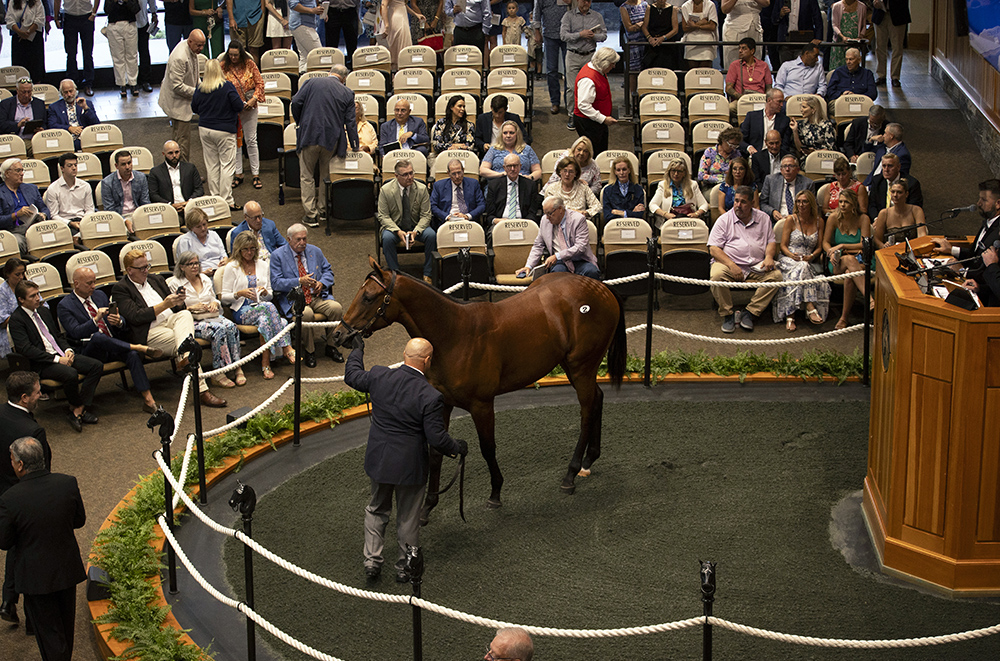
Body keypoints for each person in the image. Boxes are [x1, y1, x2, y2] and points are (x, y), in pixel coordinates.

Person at [344, 336, 465, 582]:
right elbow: (437, 438)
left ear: (404, 355)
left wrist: (358, 350)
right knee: (409, 517)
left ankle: (372, 562)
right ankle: (405, 567)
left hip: (379, 460)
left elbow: (352, 375)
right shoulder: (431, 396)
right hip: (410, 466)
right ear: (428, 360)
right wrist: (458, 447)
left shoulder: (379, 376)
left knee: (376, 509)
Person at [0, 437, 86, 661]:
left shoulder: (10, 499)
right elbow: (79, 520)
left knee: (49, 635)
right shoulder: (67, 483)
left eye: (11, 459)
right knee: (66, 629)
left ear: (20, 465)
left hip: (35, 578)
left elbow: (4, 542)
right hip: (66, 568)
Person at [112, 248, 227, 407]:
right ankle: (202, 390)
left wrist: (179, 302)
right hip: (149, 333)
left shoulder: (155, 280)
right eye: (141, 268)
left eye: (147, 266)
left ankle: (186, 357)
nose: (146, 271)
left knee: (185, 315)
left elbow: (177, 309)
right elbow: (135, 317)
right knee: (187, 345)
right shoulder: (121, 289)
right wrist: (165, 304)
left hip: (172, 324)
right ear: (129, 270)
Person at [58, 266, 163, 412]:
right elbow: (75, 333)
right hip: (90, 352)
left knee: (131, 355)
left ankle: (148, 400)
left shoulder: (100, 295)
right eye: (89, 283)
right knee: (98, 337)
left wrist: (119, 321)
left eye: (94, 282)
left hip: (114, 345)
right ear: (76, 284)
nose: (93, 286)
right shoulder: (65, 305)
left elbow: (122, 323)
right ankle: (138, 347)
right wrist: (95, 320)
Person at [9, 280, 104, 432]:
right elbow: (26, 349)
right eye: (33, 296)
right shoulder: (16, 320)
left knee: (96, 366)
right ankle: (78, 408)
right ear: (21, 299)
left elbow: (58, 336)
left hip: (61, 353)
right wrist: (58, 359)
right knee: (70, 373)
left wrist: (68, 350)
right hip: (41, 363)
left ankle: (78, 408)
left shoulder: (43, 311)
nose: (38, 298)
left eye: (38, 294)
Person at [0, 372, 50, 627]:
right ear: (24, 397)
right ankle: (32, 617)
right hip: (28, 495)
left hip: (3, 494)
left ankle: (8, 600)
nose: (40, 395)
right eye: (37, 392)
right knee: (30, 550)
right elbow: (43, 470)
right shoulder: (33, 431)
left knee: (16, 545)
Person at [221, 231, 295, 380]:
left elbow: (271, 295)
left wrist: (265, 292)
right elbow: (223, 298)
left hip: (262, 308)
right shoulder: (231, 267)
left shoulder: (262, 265)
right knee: (272, 312)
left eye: (252, 248)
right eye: (245, 249)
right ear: (239, 250)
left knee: (266, 320)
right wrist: (239, 294)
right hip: (242, 310)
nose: (249, 252)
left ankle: (265, 364)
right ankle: (286, 346)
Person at [291, 64, 358, 228]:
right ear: (343, 79)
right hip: (331, 138)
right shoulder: (347, 92)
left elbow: (296, 102)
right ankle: (322, 211)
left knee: (306, 175)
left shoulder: (311, 82)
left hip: (309, 135)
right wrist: (355, 145)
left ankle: (310, 215)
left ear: (330, 73)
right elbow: (350, 123)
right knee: (325, 175)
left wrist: (301, 121)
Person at [709, 186, 781, 333]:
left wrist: (768, 257)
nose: (738, 205)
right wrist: (731, 265)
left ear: (752, 203)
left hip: (756, 265)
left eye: (743, 202)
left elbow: (771, 242)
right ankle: (727, 314)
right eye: (736, 201)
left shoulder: (764, 218)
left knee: (776, 277)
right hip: (729, 263)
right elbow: (714, 249)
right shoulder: (724, 220)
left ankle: (750, 312)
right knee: (716, 276)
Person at [270, 223, 344, 366]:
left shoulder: (315, 251)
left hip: (317, 296)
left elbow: (329, 272)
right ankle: (310, 351)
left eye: (304, 239)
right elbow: (276, 283)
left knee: (336, 308)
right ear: (289, 239)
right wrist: (299, 281)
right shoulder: (278, 256)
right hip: (296, 299)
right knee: (306, 314)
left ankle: (331, 346)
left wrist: (322, 283)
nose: (302, 243)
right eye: (298, 239)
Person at [168, 251, 245, 387]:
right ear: (181, 267)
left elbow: (213, 298)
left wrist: (215, 303)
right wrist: (192, 307)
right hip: (192, 321)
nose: (194, 266)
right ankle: (218, 373)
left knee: (232, 327)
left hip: (210, 316)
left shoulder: (205, 279)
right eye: (190, 264)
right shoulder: (175, 283)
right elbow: (174, 310)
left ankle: (237, 366)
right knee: (219, 330)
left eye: (196, 263)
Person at [192, 59, 245, 210]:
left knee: (211, 165)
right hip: (225, 130)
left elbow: (194, 107)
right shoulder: (227, 86)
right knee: (227, 165)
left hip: (205, 129)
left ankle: (215, 198)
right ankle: (227, 200)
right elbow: (238, 106)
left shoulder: (201, 88)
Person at [773, 190, 829, 330]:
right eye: (798, 201)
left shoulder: (819, 221)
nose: (801, 204)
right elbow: (783, 246)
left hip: (809, 260)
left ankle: (790, 316)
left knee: (803, 267)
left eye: (804, 201)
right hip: (789, 259)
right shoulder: (791, 219)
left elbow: (819, 247)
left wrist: (812, 256)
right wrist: (792, 256)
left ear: (811, 203)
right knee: (801, 266)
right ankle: (810, 307)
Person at [376, 159, 437, 283]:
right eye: (405, 175)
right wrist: (398, 231)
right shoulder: (385, 190)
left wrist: (416, 232)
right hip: (395, 227)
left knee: (431, 235)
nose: (410, 177)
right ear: (396, 176)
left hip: (416, 226)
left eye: (411, 173)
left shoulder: (421, 189)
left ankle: (428, 273)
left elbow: (426, 215)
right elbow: (383, 216)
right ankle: (395, 274)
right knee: (387, 238)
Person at [516, 196, 599, 279]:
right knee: (557, 274)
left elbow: (580, 247)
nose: (547, 218)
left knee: (592, 272)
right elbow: (538, 245)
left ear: (560, 209)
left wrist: (557, 256)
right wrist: (529, 266)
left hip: (580, 260)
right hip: (560, 263)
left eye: (549, 213)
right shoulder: (544, 220)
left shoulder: (578, 219)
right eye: (545, 214)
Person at [221, 40, 266, 191]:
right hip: (232, 109)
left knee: (251, 140)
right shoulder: (222, 66)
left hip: (249, 107)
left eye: (236, 55)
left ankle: (255, 174)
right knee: (235, 142)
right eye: (231, 55)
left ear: (241, 53)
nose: (233, 58)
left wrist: (254, 99)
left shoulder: (250, 64)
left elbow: (260, 83)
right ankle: (238, 173)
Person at [823, 188, 870, 328]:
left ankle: (844, 318)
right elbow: (825, 242)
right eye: (840, 202)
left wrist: (842, 245)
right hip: (838, 261)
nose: (842, 205)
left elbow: (864, 244)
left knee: (850, 274)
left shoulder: (863, 219)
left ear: (853, 204)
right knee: (849, 260)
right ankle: (868, 297)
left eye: (846, 202)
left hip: (861, 260)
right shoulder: (833, 218)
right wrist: (831, 252)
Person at [159, 30, 207, 163]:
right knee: (182, 142)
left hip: (183, 99)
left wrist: (201, 87)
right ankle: (184, 174)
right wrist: (199, 93)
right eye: (198, 45)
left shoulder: (191, 49)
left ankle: (181, 171)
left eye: (202, 45)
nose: (201, 49)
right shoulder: (180, 57)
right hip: (177, 103)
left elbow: (195, 75)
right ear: (190, 42)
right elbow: (177, 86)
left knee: (179, 139)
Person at [561, 0, 606, 132]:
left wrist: (593, 36)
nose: (585, 3)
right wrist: (580, 35)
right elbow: (563, 36)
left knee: (591, 87)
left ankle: (590, 114)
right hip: (573, 55)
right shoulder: (568, 16)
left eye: (588, 0)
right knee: (571, 87)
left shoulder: (597, 16)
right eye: (582, 0)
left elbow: (603, 35)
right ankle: (572, 115)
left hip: (590, 56)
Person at [484, 153, 542, 241]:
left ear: (520, 166)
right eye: (509, 166)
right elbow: (490, 214)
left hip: (524, 223)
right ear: (504, 167)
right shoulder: (494, 185)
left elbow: (532, 212)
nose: (512, 169)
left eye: (515, 166)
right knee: (492, 235)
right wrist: (497, 221)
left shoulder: (530, 185)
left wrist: (524, 223)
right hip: (501, 224)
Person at [573, 47, 618, 156]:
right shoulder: (588, 79)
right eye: (612, 64)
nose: (614, 66)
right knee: (594, 153)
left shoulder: (598, 69)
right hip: (589, 122)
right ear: (604, 63)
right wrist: (603, 119)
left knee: (601, 150)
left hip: (597, 121)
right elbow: (583, 105)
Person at [0, 157, 50, 252]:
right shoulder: (1, 193)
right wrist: (16, 215)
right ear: (7, 173)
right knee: (17, 242)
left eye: (22, 170)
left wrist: (43, 215)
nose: (22, 174)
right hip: (13, 230)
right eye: (18, 171)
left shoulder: (31, 189)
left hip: (35, 226)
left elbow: (44, 208)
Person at [55, 0, 101, 97]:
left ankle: (88, 84)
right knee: (71, 53)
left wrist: (94, 13)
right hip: (69, 17)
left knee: (87, 53)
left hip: (86, 16)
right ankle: (71, 84)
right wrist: (56, 17)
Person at [530, 0, 568, 114]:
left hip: (568, 35)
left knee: (569, 71)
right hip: (549, 36)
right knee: (551, 70)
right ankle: (555, 102)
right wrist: (536, 31)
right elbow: (537, 13)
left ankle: (569, 102)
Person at [649, 158, 709, 229]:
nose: (676, 174)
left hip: (689, 222)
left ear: (684, 173)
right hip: (669, 222)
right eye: (673, 170)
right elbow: (652, 205)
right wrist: (665, 214)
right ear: (669, 171)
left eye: (679, 171)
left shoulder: (693, 185)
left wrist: (696, 214)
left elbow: (704, 204)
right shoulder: (662, 185)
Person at [148, 140, 205, 211]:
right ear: (163, 154)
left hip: (190, 206)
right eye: (170, 153)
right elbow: (153, 195)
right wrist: (170, 205)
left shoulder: (190, 168)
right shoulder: (155, 172)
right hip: (168, 209)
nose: (174, 156)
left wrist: (189, 202)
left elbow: (199, 189)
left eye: (177, 152)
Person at [100, 151, 150, 234]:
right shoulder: (107, 183)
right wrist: (125, 220)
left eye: (129, 163)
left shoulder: (141, 178)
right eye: (123, 164)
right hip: (120, 217)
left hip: (138, 215)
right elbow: (110, 210)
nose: (127, 167)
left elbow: (145, 202)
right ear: (116, 166)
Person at [44, 153, 94, 233]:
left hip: (83, 220)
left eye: (75, 165)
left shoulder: (85, 186)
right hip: (64, 223)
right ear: (62, 168)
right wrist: (70, 223)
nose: (74, 168)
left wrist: (84, 221)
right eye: (70, 165)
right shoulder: (53, 189)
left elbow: (90, 209)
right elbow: (53, 215)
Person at [429, 159, 485, 230]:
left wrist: (467, 216)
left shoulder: (473, 184)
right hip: (447, 222)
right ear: (448, 173)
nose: (457, 176)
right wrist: (447, 217)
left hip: (469, 223)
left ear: (463, 171)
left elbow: (481, 205)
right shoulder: (439, 186)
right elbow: (433, 206)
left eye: (459, 172)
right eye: (453, 174)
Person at [46, 80, 101, 151]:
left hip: (84, 137)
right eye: (66, 92)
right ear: (61, 94)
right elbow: (52, 125)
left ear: (76, 90)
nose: (69, 94)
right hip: (66, 138)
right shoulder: (54, 107)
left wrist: (86, 108)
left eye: (71, 91)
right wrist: (69, 128)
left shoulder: (87, 103)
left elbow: (96, 124)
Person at [866, 152, 922, 220]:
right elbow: (872, 205)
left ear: (898, 167)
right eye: (884, 166)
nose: (886, 170)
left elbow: (914, 209)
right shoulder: (877, 180)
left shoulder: (911, 183)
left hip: (903, 220)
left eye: (890, 166)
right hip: (880, 219)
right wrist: (877, 219)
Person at [760, 155, 814, 223]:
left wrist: (795, 216)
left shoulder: (807, 183)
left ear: (797, 169)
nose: (787, 169)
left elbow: (813, 206)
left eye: (791, 166)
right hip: (775, 222)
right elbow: (762, 203)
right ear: (781, 170)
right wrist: (773, 211)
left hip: (799, 222)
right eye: (784, 166)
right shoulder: (770, 180)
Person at [873, 178, 925, 248]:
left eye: (899, 192)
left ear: (906, 194)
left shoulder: (916, 210)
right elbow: (877, 239)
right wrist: (883, 246)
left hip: (913, 249)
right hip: (891, 251)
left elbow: (922, 234)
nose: (895, 195)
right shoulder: (884, 213)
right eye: (893, 192)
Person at [725, 37, 772, 115]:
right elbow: (728, 88)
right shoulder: (735, 65)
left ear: (752, 51)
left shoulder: (763, 65)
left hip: (759, 99)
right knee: (729, 108)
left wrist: (765, 99)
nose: (740, 51)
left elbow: (769, 88)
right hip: (741, 99)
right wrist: (743, 98)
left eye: (744, 48)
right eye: (739, 48)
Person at [174, 208, 228, 274]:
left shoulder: (214, 235)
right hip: (199, 275)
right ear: (191, 228)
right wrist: (203, 273)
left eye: (204, 224)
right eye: (198, 227)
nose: (203, 228)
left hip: (220, 271)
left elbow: (223, 254)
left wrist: (225, 260)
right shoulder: (185, 241)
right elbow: (186, 267)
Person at [740, 88, 791, 156]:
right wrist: (749, 147)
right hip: (755, 155)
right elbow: (741, 139)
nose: (782, 105)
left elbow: (785, 146)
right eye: (779, 101)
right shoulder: (751, 117)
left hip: (776, 156)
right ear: (769, 100)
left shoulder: (785, 120)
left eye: (782, 102)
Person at [105, 0, 141, 96]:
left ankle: (133, 83)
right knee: (118, 57)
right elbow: (106, 9)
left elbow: (136, 9)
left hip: (130, 24)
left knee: (132, 55)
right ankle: (122, 84)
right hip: (114, 24)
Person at [5, 0, 45, 85]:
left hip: (34, 39)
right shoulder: (12, 2)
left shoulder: (37, 2)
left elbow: (40, 19)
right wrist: (20, 32)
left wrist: (28, 32)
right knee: (19, 68)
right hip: (18, 39)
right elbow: (9, 20)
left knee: (36, 68)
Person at [826, 47, 877, 111]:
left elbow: (873, 93)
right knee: (845, 108)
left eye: (851, 59)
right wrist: (842, 95)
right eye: (846, 59)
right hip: (840, 101)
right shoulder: (838, 72)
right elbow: (830, 92)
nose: (848, 62)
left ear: (859, 60)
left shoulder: (867, 74)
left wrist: (855, 97)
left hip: (861, 102)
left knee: (873, 110)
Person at [872, 0, 909, 87]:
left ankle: (895, 77)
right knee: (880, 47)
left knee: (897, 47)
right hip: (880, 14)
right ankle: (881, 75)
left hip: (898, 14)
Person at [772, 0, 822, 65]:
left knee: (802, 69)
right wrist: (780, 14)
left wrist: (818, 38)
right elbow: (773, 20)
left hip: (803, 42)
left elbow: (817, 19)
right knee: (786, 69)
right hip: (785, 42)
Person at [789, 96, 835, 164]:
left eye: (804, 107)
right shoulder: (801, 125)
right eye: (801, 107)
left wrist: (815, 152)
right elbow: (799, 149)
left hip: (824, 158)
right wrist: (795, 131)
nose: (801, 110)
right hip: (807, 159)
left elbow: (831, 149)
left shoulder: (826, 125)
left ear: (813, 109)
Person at [720, 0, 766, 68]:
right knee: (733, 63)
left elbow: (766, 3)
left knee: (755, 61)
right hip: (735, 29)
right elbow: (724, 9)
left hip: (755, 28)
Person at [430, 96, 475, 163]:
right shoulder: (441, 123)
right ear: (451, 107)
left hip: (462, 157)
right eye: (459, 106)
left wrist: (452, 148)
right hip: (443, 157)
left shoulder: (469, 125)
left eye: (464, 107)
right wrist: (453, 146)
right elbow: (436, 144)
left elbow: (470, 146)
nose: (462, 109)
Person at [602, 155, 646, 222]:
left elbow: (640, 214)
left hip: (634, 224)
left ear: (629, 170)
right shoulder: (608, 190)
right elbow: (607, 216)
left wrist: (619, 212)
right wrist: (631, 212)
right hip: (614, 225)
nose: (621, 173)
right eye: (618, 170)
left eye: (624, 169)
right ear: (615, 172)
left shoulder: (638, 189)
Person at [0, 259, 29, 359]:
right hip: (11, 331)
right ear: (8, 274)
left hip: (31, 326)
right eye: (17, 274)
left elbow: (43, 306)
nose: (21, 277)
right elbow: (3, 320)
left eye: (23, 273)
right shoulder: (2, 292)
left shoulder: (27, 286)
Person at [641, 0, 679, 72]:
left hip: (667, 45)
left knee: (667, 70)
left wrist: (663, 38)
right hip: (653, 44)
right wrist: (649, 38)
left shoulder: (672, 9)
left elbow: (675, 30)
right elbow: (644, 27)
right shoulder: (649, 8)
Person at [829, 1, 867, 70]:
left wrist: (860, 37)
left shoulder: (862, 7)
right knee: (838, 69)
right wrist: (842, 37)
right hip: (840, 43)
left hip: (854, 44)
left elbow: (864, 26)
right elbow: (834, 25)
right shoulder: (836, 6)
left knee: (853, 68)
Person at [680, 0, 718, 68]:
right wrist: (701, 23)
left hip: (707, 43)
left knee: (705, 72)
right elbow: (685, 28)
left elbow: (712, 26)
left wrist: (695, 26)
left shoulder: (710, 5)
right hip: (691, 43)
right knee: (693, 73)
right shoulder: (685, 6)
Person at [325, 0, 360, 68]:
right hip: (332, 11)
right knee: (331, 43)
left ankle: (352, 67)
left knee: (352, 42)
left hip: (350, 11)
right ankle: (331, 66)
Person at [135, 0, 159, 94]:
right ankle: (133, 81)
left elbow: (151, 1)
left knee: (144, 51)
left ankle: (145, 80)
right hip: (128, 23)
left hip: (143, 22)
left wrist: (154, 14)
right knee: (130, 54)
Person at [620, 0, 648, 77]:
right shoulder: (624, 7)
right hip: (633, 44)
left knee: (646, 69)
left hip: (646, 41)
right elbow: (629, 28)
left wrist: (640, 25)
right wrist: (642, 24)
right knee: (634, 71)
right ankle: (632, 89)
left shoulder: (645, 4)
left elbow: (650, 21)